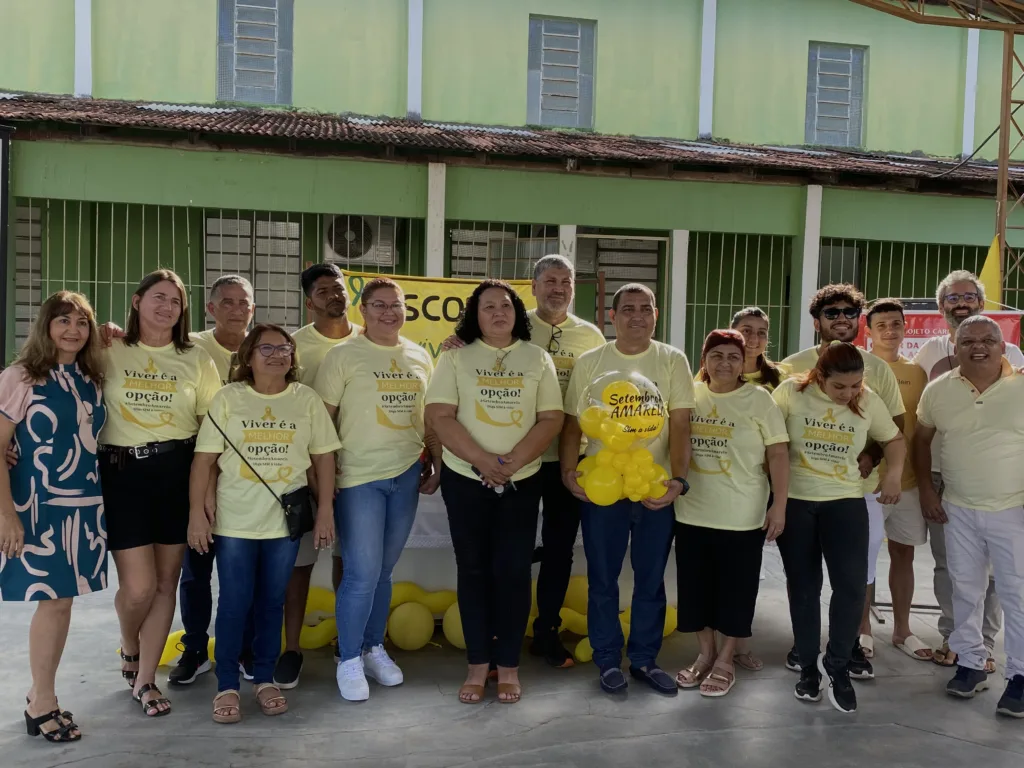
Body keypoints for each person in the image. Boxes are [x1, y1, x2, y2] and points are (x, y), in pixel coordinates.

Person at [187, 324, 339, 723]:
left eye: (284, 347)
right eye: (266, 347)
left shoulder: (306, 399)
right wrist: (196, 516)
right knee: (235, 603)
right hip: (235, 521)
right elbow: (203, 461)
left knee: (273, 601)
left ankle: (265, 677)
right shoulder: (228, 398)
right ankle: (226, 686)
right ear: (248, 356)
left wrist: (325, 510)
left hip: (283, 523)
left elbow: (323, 458)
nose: (277, 354)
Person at [425, 279, 563, 704]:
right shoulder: (454, 358)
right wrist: (485, 462)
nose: (498, 313)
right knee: (474, 570)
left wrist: (512, 463)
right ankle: (477, 664)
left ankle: (507, 667)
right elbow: (439, 416)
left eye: (506, 305)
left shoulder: (537, 357)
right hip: (466, 479)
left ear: (517, 313)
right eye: (488, 307)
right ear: (475, 314)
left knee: (514, 571)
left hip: (522, 480)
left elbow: (551, 418)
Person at [561, 283, 695, 696]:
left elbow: (681, 424)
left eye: (646, 308)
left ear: (656, 314)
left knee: (651, 579)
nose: (637, 316)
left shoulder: (672, 360)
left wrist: (677, 480)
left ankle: (643, 659)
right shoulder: (591, 361)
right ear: (612, 316)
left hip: (653, 487)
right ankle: (607, 660)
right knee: (603, 578)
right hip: (603, 488)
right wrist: (569, 470)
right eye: (628, 309)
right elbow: (571, 423)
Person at [99, 269, 221, 717]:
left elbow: (213, 431)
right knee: (138, 588)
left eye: (175, 301)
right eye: (158, 297)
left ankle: (146, 679)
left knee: (167, 583)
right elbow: (54, 373)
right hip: (122, 474)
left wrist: (204, 496)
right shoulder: (109, 348)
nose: (167, 306)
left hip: (177, 473)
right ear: (136, 302)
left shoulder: (196, 359)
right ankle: (130, 642)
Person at [313, 277, 437, 701]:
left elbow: (429, 417)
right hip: (358, 478)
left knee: (383, 572)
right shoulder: (343, 356)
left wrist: (434, 459)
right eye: (379, 305)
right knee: (361, 573)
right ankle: (347, 659)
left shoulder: (420, 355)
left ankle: (372, 648)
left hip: (404, 475)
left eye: (396, 305)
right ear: (362, 311)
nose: (389, 312)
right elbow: (322, 423)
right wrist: (323, 483)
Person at [781, 284, 905, 678]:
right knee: (804, 581)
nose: (841, 319)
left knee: (853, 578)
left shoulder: (876, 370)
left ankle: (848, 647)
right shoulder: (791, 370)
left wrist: (875, 458)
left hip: (855, 491)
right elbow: (772, 433)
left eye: (850, 312)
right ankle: (805, 652)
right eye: (832, 312)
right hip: (800, 495)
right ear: (817, 320)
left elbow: (894, 428)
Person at [0, 292, 106, 743]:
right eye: (63, 321)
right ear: (45, 326)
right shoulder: (20, 377)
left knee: (62, 602)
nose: (73, 331)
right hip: (36, 507)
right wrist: (6, 514)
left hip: (85, 506)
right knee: (53, 600)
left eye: (82, 323)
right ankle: (42, 700)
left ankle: (40, 695)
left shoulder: (90, 377)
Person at [913, 315, 1024, 718]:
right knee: (965, 589)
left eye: (988, 339)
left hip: (1013, 509)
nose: (979, 346)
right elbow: (922, 440)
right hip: (957, 507)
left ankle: (1020, 677)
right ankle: (971, 664)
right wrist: (926, 487)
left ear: (1002, 345)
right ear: (955, 347)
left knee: (1017, 594)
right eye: (968, 341)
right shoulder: (938, 390)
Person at [673, 330, 789, 698]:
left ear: (744, 363)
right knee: (694, 591)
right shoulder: (689, 395)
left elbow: (779, 454)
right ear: (704, 358)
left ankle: (726, 658)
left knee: (736, 591)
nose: (725, 363)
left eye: (734, 357)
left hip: (742, 514)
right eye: (717, 355)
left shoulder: (758, 399)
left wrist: (779, 505)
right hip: (691, 511)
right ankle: (704, 653)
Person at [278, 262, 362, 687]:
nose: (335, 295)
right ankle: (291, 648)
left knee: (352, 562)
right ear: (308, 301)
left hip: (359, 472)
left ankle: (350, 642)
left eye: (340, 287)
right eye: (325, 290)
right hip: (301, 474)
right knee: (299, 566)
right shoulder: (293, 347)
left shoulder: (371, 340)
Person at [170, 274, 256, 687]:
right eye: (228, 302)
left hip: (249, 485)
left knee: (244, 575)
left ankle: (240, 649)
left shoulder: (266, 350)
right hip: (199, 475)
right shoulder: (189, 347)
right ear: (210, 308)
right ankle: (195, 647)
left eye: (245, 303)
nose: (238, 310)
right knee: (196, 570)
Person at [859, 299, 931, 661]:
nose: (890, 330)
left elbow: (920, 430)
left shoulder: (918, 372)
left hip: (908, 483)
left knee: (904, 554)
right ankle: (863, 630)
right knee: (864, 560)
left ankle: (903, 630)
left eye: (896, 324)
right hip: (866, 484)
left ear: (905, 328)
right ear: (868, 331)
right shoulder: (857, 368)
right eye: (882, 324)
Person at [728, 306, 785, 671]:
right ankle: (719, 644)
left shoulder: (779, 381)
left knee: (747, 569)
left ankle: (740, 642)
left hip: (763, 484)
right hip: (722, 485)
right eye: (746, 330)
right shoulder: (708, 374)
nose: (754, 338)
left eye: (762, 332)